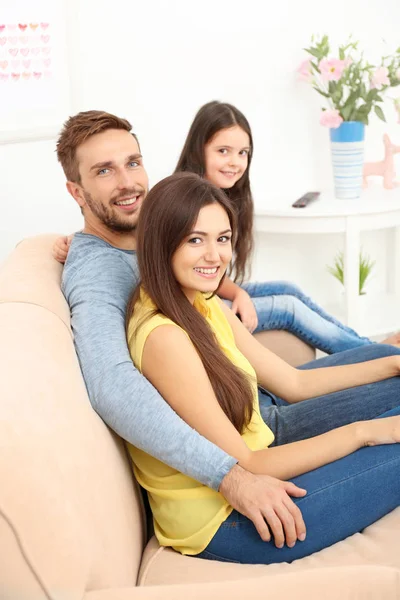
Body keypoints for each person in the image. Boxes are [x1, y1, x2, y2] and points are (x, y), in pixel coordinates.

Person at [57, 109, 308, 550]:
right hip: (228, 443)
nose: (128, 182)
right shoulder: (96, 272)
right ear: (76, 192)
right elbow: (112, 386)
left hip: (237, 382)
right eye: (104, 171)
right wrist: (230, 476)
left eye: (133, 163)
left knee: (301, 308)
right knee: (288, 309)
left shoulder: (141, 232)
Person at [126, 170, 400, 564]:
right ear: (160, 243)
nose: (215, 255)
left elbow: (293, 383)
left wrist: (391, 363)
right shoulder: (163, 338)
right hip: (232, 518)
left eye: (222, 239)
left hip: (264, 446)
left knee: (387, 369)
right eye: (194, 240)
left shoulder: (200, 302)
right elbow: (248, 465)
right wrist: (366, 433)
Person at [54, 101, 400, 353]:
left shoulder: (221, 198)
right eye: (223, 150)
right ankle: (373, 353)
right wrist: (77, 241)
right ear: (199, 149)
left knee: (287, 288)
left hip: (200, 292)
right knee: (288, 307)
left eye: (242, 153)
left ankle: (367, 346)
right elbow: (166, 251)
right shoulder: (181, 198)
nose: (234, 162)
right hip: (192, 303)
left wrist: (236, 291)